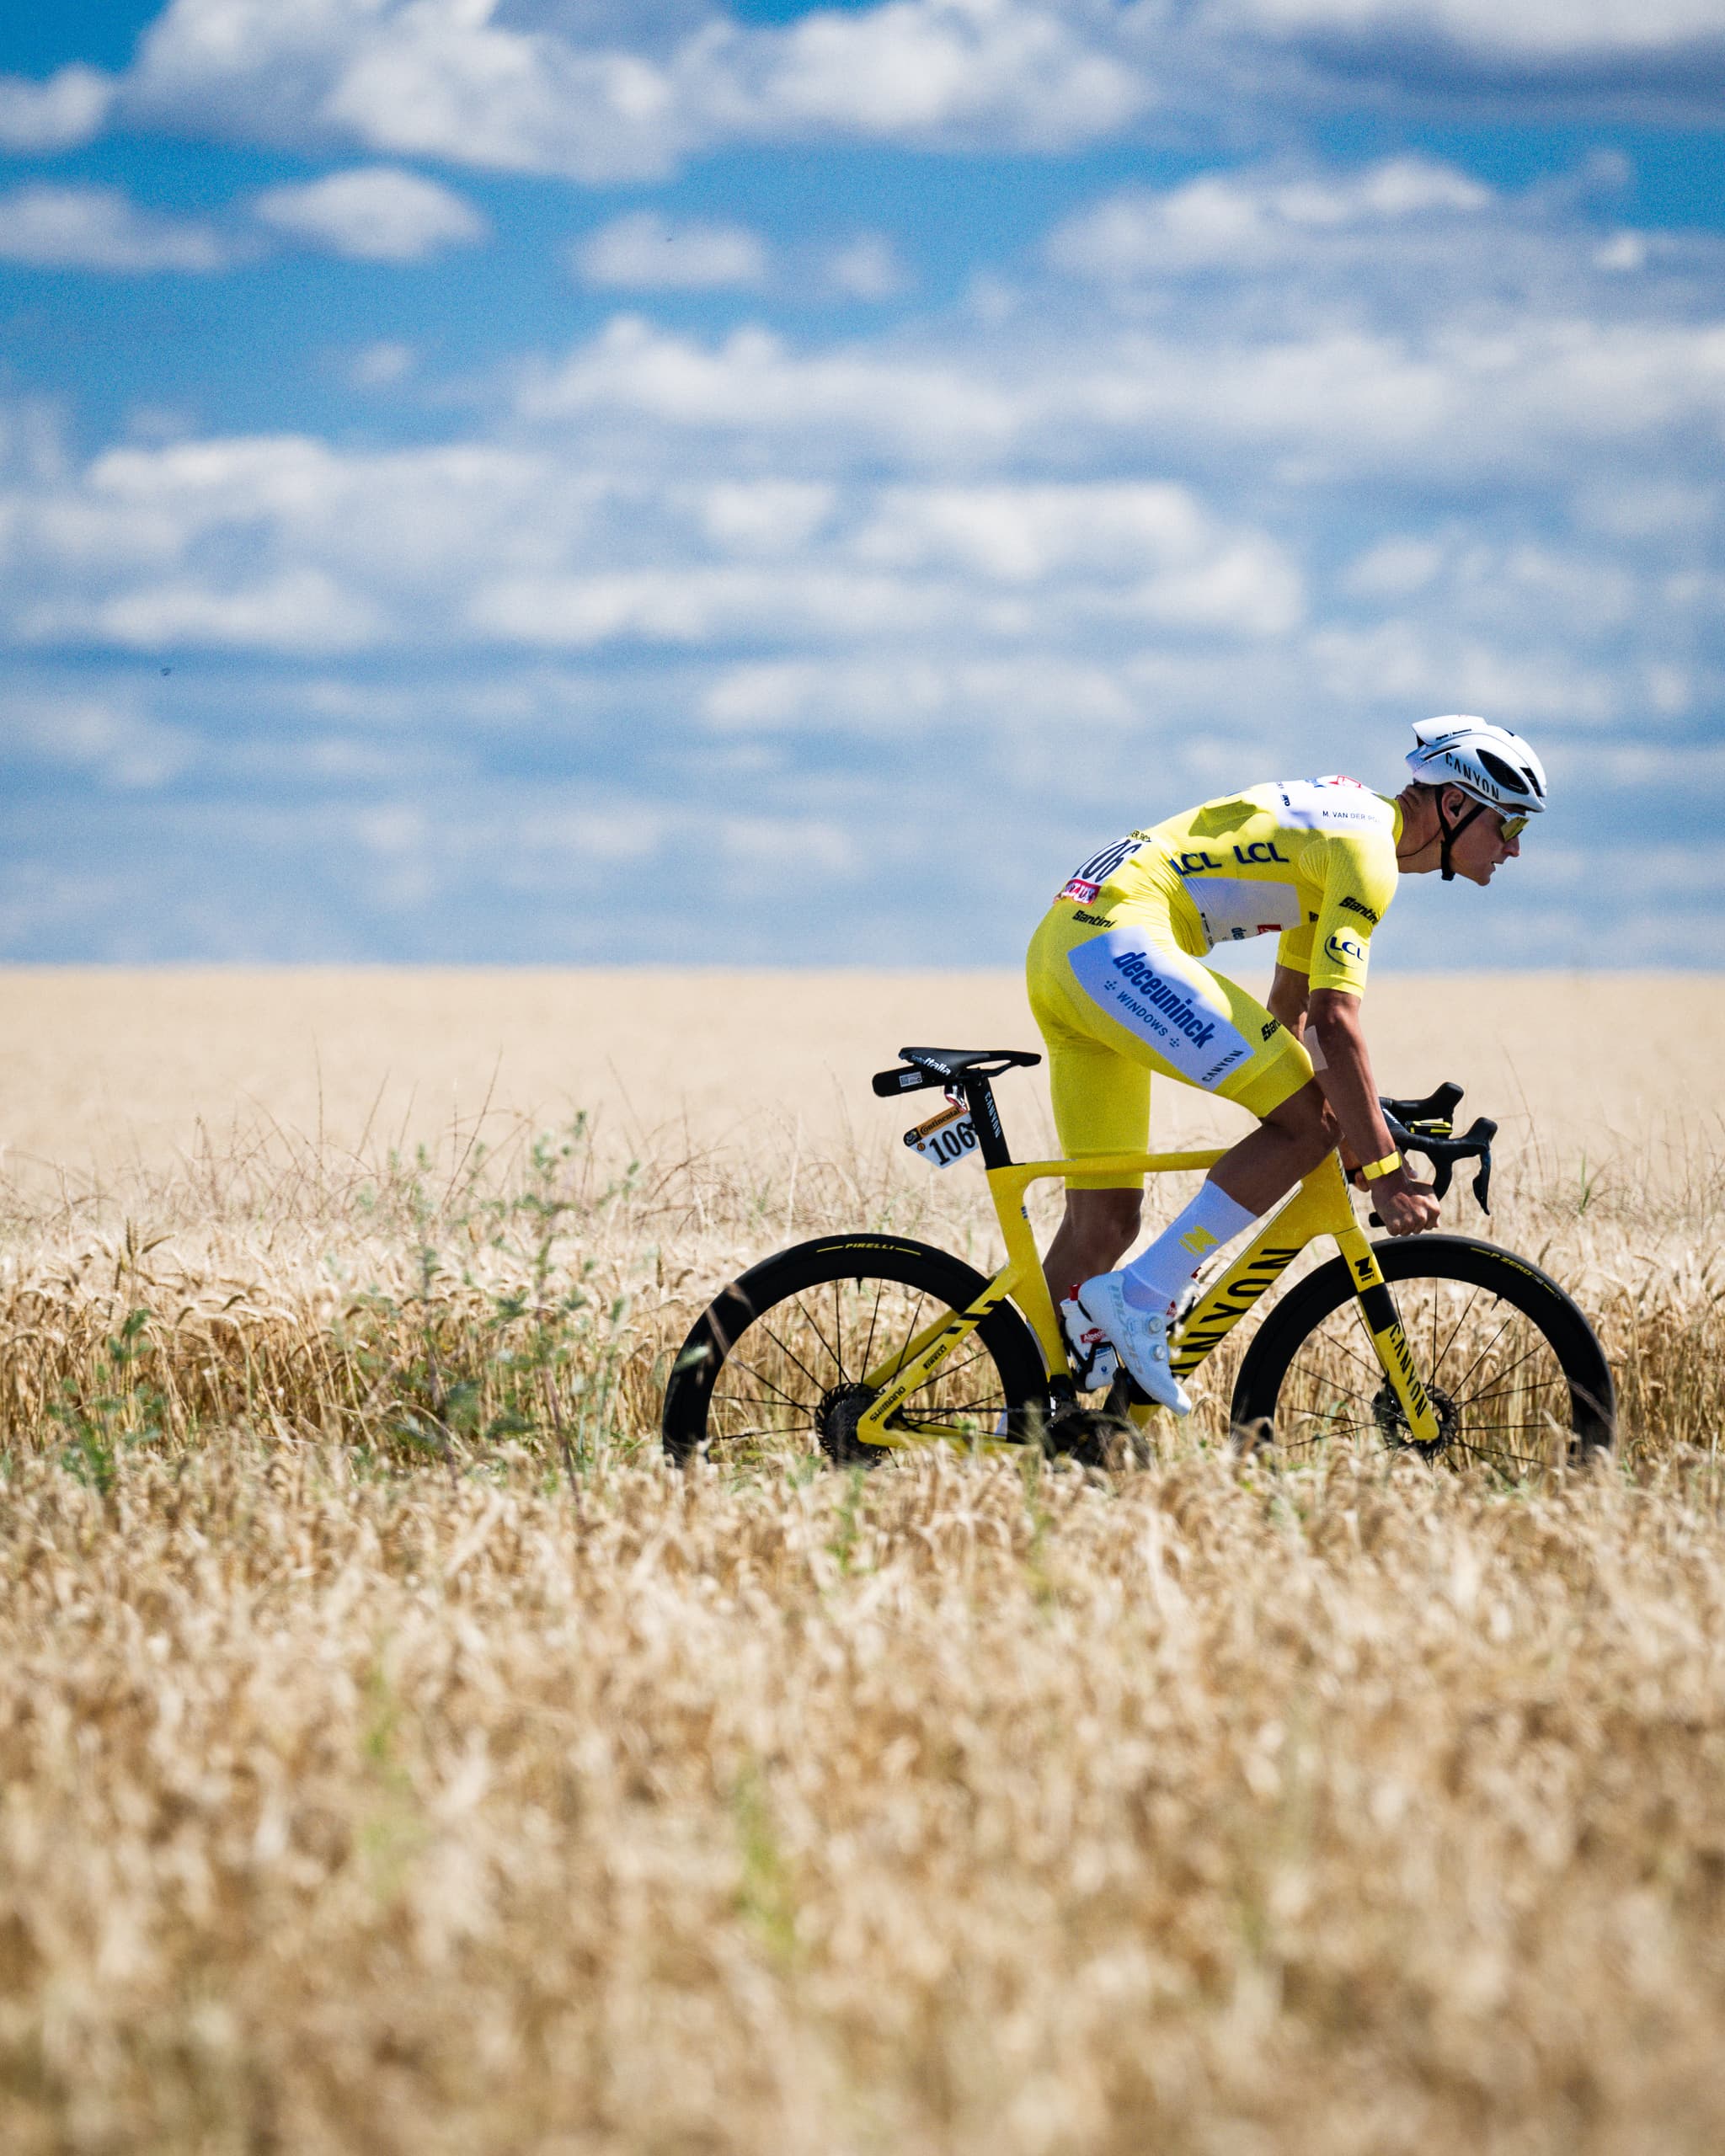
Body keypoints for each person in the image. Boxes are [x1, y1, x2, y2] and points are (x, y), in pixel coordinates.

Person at [1026, 717, 1546, 1413]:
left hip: (1069, 952)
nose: (1513, 850)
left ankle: (1029, 1420)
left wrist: (1368, 1137)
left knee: (1104, 1227)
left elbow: (1294, 1015)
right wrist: (1386, 1173)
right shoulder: (1368, 859)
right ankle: (1142, 1296)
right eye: (1509, 826)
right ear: (1455, 805)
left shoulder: (1341, 833)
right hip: (1116, 944)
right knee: (1309, 1126)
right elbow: (1337, 1021)